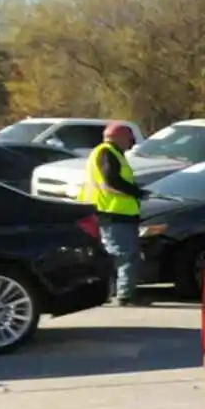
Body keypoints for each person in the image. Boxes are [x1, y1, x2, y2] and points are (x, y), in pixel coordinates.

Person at [81, 123, 144, 304]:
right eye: (129, 139)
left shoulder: (107, 153)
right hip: (114, 212)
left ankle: (115, 292)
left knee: (117, 255)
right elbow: (112, 181)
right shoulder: (107, 153)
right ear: (120, 137)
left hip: (112, 211)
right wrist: (136, 192)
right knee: (125, 256)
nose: (131, 143)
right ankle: (124, 295)